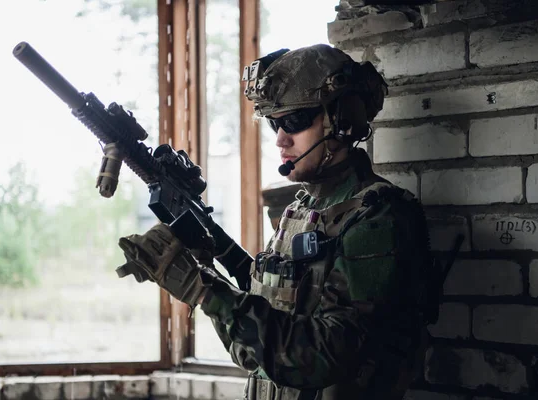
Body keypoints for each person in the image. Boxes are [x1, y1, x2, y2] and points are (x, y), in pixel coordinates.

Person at [117, 44, 434, 400]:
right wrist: (213, 246)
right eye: (274, 123)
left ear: (341, 119)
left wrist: (203, 290)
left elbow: (326, 356)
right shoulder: (302, 207)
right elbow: (274, 307)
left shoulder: (378, 218)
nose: (281, 138)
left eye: (295, 121)